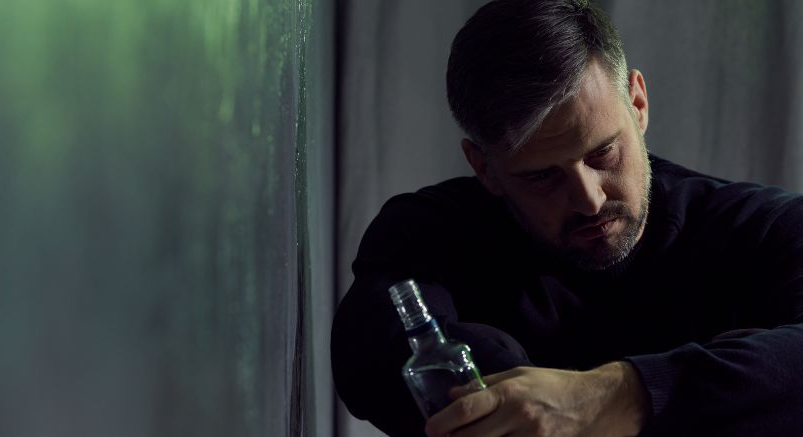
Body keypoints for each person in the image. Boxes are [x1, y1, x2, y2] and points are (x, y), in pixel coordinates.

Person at [331, 0, 803, 436]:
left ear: (638, 105)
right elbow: (369, 352)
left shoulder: (760, 228)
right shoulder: (428, 233)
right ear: (484, 168)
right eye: (541, 177)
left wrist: (611, 397)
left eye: (603, 153)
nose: (589, 199)